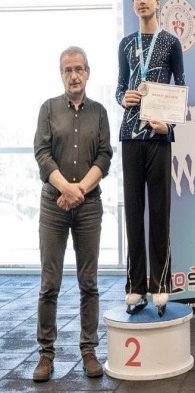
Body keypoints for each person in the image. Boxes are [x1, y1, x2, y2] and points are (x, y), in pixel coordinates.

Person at [33, 46, 113, 382]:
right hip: (54, 205)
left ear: (88, 72)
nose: (74, 75)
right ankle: (46, 355)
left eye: (79, 69)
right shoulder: (48, 109)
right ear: (61, 74)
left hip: (88, 206)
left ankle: (89, 351)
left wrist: (79, 190)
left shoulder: (100, 112)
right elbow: (42, 153)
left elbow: (104, 156)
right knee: (49, 283)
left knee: (89, 282)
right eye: (67, 70)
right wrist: (66, 188)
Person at [116, 0, 185, 316]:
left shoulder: (171, 43)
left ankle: (160, 285)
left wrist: (168, 125)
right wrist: (123, 97)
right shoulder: (126, 43)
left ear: (158, 1)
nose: (142, 0)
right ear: (133, 4)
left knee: (159, 213)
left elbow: (181, 89)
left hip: (158, 136)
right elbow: (120, 86)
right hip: (131, 136)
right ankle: (135, 287)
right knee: (133, 213)